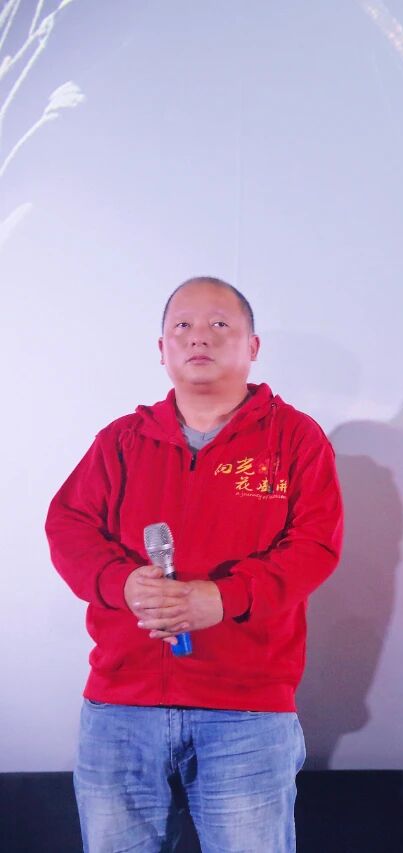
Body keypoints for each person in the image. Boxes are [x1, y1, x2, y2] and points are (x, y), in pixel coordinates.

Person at [46, 277, 343, 852]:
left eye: (218, 325)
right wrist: (121, 584)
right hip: (121, 707)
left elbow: (315, 546)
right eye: (181, 326)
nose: (198, 337)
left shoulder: (295, 439)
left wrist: (225, 598)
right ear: (162, 349)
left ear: (252, 346)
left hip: (246, 712)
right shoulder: (122, 440)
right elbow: (69, 526)